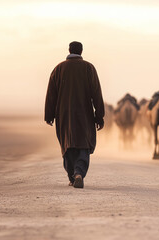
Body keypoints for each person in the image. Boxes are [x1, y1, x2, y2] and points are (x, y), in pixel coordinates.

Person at [44, 41, 105, 188]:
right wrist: (99, 115)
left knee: (68, 145)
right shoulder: (89, 68)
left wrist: (49, 115)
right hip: (85, 114)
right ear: (81, 51)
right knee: (83, 144)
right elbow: (96, 93)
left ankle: (72, 176)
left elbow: (51, 94)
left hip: (64, 114)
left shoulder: (58, 69)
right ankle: (79, 172)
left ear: (69, 50)